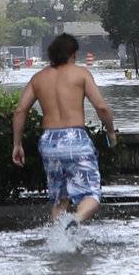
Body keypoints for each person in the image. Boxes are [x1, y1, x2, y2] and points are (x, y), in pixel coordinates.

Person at [11, 31, 117, 226]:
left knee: (60, 198)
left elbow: (20, 111)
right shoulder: (81, 74)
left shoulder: (38, 78)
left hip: (49, 142)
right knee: (91, 193)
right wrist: (110, 132)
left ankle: (60, 241)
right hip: (75, 138)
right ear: (73, 54)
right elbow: (101, 107)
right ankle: (75, 219)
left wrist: (17, 144)